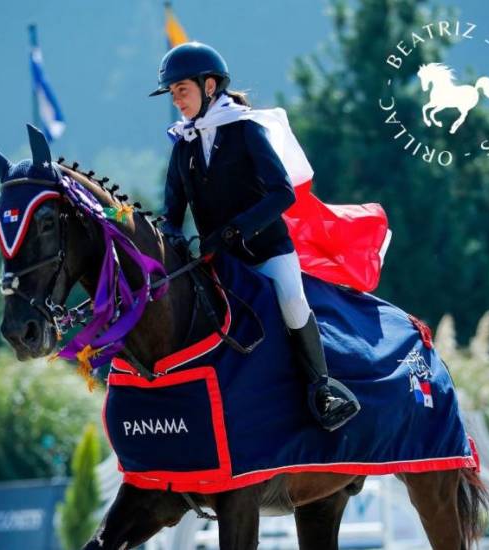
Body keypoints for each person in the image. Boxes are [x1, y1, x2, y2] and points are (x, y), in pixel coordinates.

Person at [151, 42, 360, 431]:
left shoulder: (245, 130)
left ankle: (322, 389)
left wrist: (235, 230)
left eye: (182, 89)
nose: (176, 100)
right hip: (218, 261)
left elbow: (282, 192)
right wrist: (169, 236)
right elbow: (172, 212)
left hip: (266, 250)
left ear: (209, 86)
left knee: (293, 303)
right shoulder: (183, 146)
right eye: (173, 92)